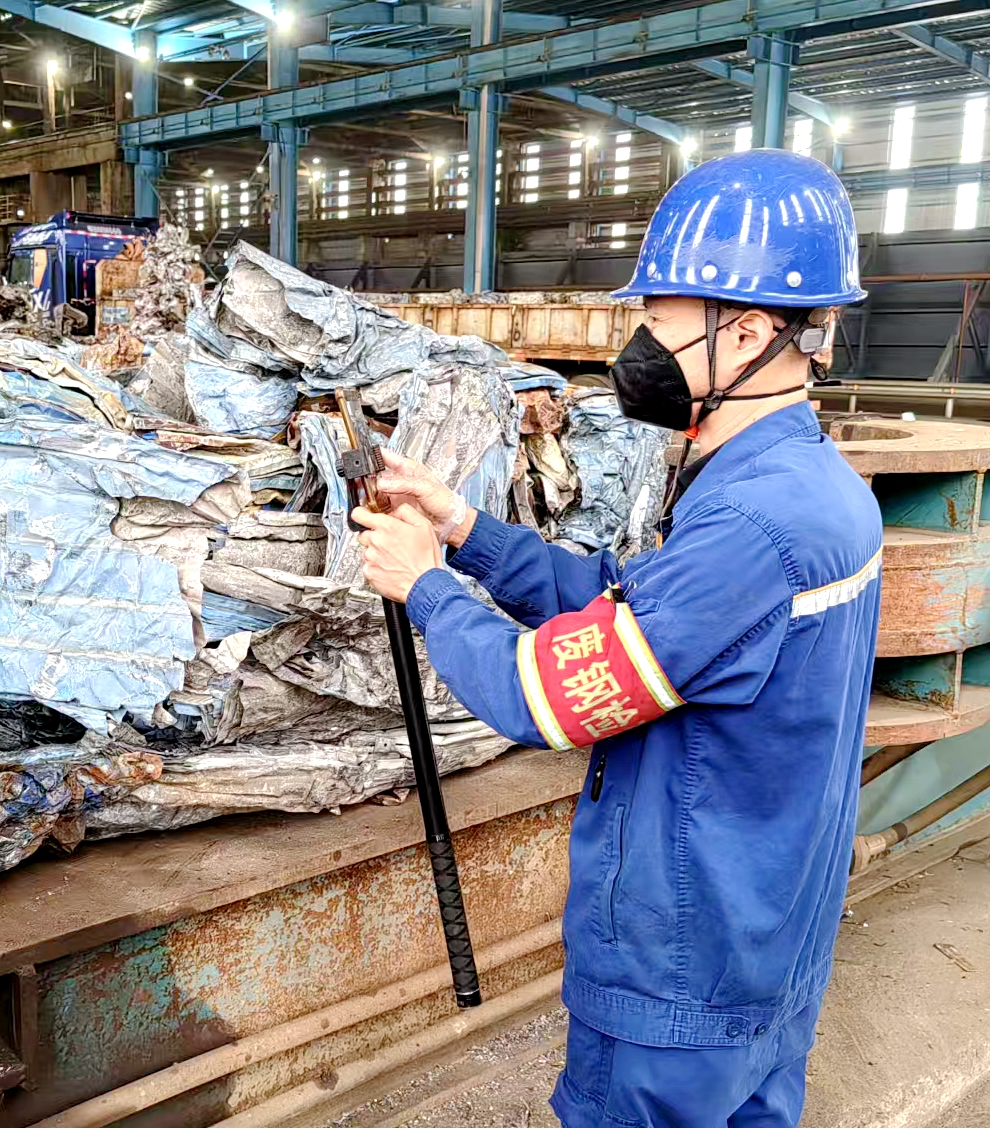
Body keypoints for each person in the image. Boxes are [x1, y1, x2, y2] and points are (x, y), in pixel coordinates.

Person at [352, 149, 883, 1128]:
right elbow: (629, 608)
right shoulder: (803, 483)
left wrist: (422, 584)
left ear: (750, 332)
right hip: (764, 939)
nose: (640, 348)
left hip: (682, 965)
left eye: (663, 324)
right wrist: (465, 533)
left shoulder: (752, 527)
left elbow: (544, 697)